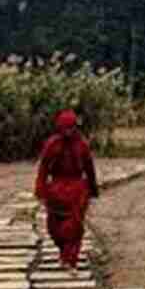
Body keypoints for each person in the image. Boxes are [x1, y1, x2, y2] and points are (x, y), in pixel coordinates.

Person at [34, 108, 99, 269]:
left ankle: (70, 259)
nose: (69, 132)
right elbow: (43, 168)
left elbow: (89, 168)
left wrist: (92, 188)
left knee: (74, 227)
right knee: (54, 228)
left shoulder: (82, 145)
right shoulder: (52, 144)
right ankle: (65, 252)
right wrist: (40, 188)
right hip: (57, 190)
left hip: (77, 190)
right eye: (66, 128)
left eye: (72, 128)